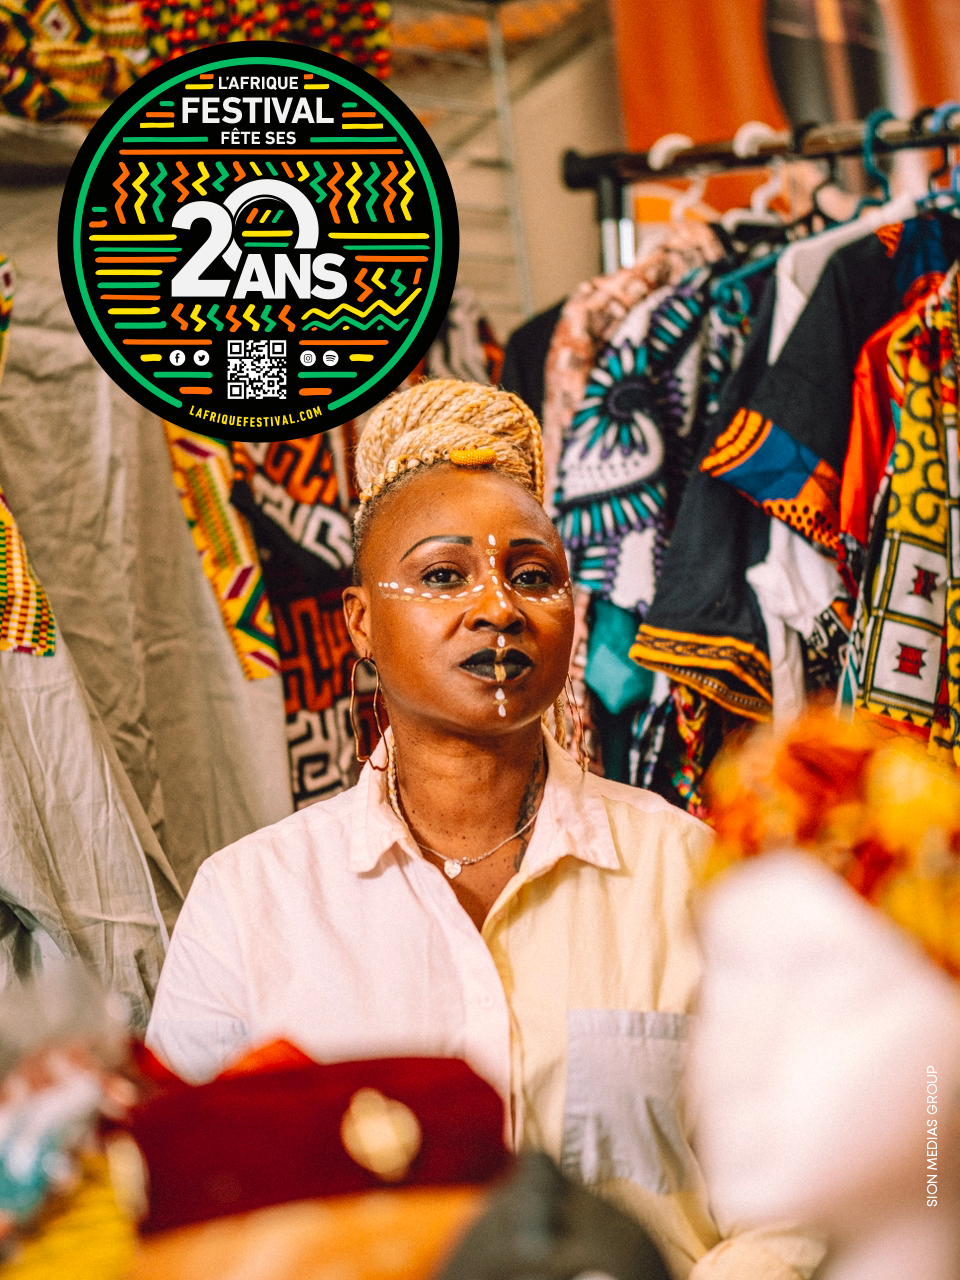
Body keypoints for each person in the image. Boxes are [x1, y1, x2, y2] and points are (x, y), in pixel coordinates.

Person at [146, 380, 823, 1280]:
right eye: (442, 575)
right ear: (361, 623)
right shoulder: (250, 903)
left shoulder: (691, 872)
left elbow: (804, 1195)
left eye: (533, 577)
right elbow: (175, 1211)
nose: (499, 607)